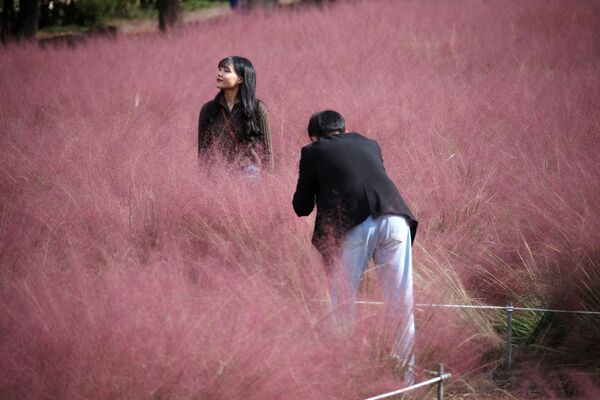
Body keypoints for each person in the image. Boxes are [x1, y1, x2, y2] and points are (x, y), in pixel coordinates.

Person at [292, 110, 418, 382]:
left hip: (353, 225)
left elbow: (301, 207)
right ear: (345, 129)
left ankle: (344, 374)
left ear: (315, 136)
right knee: (400, 302)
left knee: (342, 303)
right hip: (396, 218)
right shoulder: (370, 143)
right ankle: (405, 378)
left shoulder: (312, 151)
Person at [198, 56, 273, 175]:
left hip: (249, 175)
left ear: (240, 79)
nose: (219, 74)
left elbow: (267, 153)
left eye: (226, 71)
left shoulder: (258, 109)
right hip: (220, 175)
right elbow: (203, 153)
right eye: (220, 69)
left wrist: (267, 185)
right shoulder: (208, 109)